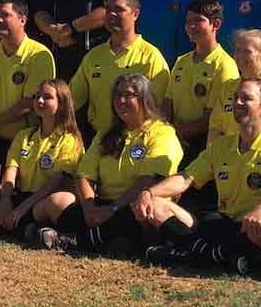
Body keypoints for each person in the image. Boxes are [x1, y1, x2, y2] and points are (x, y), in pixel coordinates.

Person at [136, 79, 261, 270]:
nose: (237, 102)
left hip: (255, 226)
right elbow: (185, 178)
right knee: (155, 204)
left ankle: (191, 254)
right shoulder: (221, 145)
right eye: (235, 97)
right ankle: (218, 257)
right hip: (222, 223)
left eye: (246, 98)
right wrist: (148, 193)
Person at [40, 74, 183, 254]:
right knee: (57, 201)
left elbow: (149, 181)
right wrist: (89, 209)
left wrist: (113, 210)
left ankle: (78, 241)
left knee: (139, 210)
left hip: (135, 206)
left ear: (144, 98)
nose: (121, 101)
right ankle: (109, 241)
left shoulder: (162, 133)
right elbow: (84, 176)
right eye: (117, 95)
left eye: (128, 95)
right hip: (104, 206)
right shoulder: (106, 133)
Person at [0, 80, 84, 243]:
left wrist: (22, 208)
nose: (39, 101)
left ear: (62, 104)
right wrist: (5, 199)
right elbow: (11, 170)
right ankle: (30, 231)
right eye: (37, 96)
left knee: (59, 201)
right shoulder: (24, 135)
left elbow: (55, 183)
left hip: (42, 200)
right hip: (21, 196)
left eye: (47, 97)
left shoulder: (69, 140)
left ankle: (8, 226)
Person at [0, 0, 56, 183]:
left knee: (5, 185)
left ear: (23, 20)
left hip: (27, 137)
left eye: (5, 15)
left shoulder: (39, 55)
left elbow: (29, 104)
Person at [70, 0, 170, 144]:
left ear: (135, 14)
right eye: (108, 9)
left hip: (136, 141)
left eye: (119, 9)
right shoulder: (93, 56)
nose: (111, 14)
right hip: (98, 140)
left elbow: (159, 107)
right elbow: (72, 100)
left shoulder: (151, 57)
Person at [162, 0, 237, 167]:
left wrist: (178, 132)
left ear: (215, 24)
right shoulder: (181, 61)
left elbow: (213, 117)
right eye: (188, 21)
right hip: (174, 140)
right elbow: (168, 102)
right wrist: (165, 131)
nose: (191, 27)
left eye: (198, 21)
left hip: (203, 145)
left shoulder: (224, 66)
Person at [210, 29, 261, 137]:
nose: (240, 56)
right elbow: (215, 127)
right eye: (238, 50)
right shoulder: (228, 86)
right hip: (227, 147)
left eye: (247, 51)